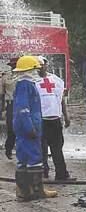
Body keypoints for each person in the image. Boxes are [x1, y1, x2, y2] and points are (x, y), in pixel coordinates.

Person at [11, 56, 56, 201]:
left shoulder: (22, 84)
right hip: (28, 129)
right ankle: (37, 190)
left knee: (23, 159)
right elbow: (23, 109)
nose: (38, 71)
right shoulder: (26, 85)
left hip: (23, 128)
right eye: (36, 68)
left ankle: (24, 191)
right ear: (30, 70)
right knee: (34, 158)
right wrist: (30, 127)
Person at [36, 57, 73, 182]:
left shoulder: (56, 81)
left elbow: (61, 100)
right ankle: (43, 171)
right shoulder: (33, 82)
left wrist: (66, 116)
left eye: (43, 64)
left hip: (54, 119)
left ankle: (61, 174)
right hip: (40, 120)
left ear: (47, 65)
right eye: (38, 65)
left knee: (57, 148)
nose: (41, 67)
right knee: (41, 147)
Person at [2, 58, 18, 159]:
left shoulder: (25, 76)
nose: (14, 66)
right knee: (11, 129)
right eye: (12, 65)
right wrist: (3, 108)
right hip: (11, 104)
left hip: (22, 104)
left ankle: (22, 150)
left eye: (15, 64)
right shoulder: (5, 77)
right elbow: (2, 94)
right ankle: (9, 149)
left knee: (23, 128)